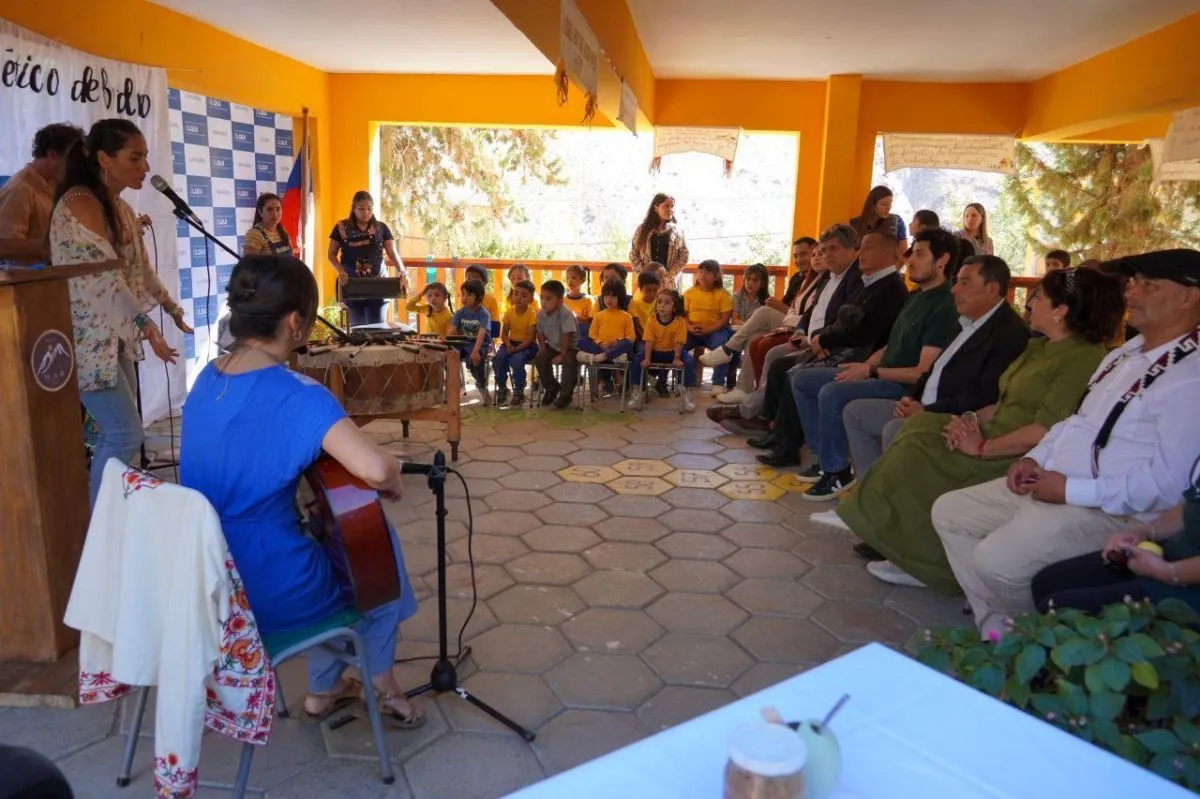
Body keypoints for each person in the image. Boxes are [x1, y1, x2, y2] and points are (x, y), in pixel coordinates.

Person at [180, 254, 424, 729]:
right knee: (374, 555)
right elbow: (374, 468)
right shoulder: (298, 394)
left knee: (332, 539)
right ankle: (382, 683)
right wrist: (393, 477)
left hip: (205, 580)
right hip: (264, 586)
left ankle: (323, 689)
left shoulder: (207, 379)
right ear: (294, 323)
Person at [933, 251, 1200, 637]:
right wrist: (1033, 458)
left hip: (1112, 509)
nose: (1132, 293)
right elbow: (1077, 421)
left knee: (997, 562)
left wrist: (1071, 489)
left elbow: (1167, 488)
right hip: (1056, 481)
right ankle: (999, 633)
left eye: (1148, 285)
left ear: (1189, 296)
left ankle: (1035, 649)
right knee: (950, 512)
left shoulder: (1188, 377)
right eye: (1134, 283)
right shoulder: (1125, 354)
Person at [839, 267, 1119, 591]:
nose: (1030, 301)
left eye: (1039, 296)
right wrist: (969, 420)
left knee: (919, 451)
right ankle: (895, 538)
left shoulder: (1081, 358)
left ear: (1061, 311)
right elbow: (1003, 403)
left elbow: (1044, 430)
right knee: (921, 425)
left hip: (1016, 453)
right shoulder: (1040, 347)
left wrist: (982, 447)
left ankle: (925, 562)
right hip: (991, 431)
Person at [48, 119, 184, 506]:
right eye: (135, 157)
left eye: (146, 157)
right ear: (105, 159)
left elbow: (138, 269)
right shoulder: (79, 202)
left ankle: (117, 517)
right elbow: (106, 279)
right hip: (87, 339)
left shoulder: (120, 206)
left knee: (123, 432)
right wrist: (146, 326)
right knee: (124, 433)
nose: (145, 167)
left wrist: (170, 309)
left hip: (114, 337)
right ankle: (100, 529)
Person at [785, 228, 961, 496]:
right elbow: (891, 344)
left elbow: (922, 372)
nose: (910, 260)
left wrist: (872, 371)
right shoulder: (916, 298)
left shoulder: (944, 305)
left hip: (899, 387)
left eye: (919, 254)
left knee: (832, 391)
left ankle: (837, 472)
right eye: (911, 253)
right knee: (802, 379)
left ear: (943, 260)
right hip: (878, 372)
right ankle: (826, 460)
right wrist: (864, 366)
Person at [749, 228, 905, 467]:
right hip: (835, 345)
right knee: (783, 364)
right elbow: (837, 319)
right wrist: (816, 336)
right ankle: (782, 436)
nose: (861, 253)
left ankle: (809, 453)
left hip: (859, 356)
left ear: (888, 252)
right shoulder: (865, 282)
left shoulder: (888, 287)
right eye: (824, 250)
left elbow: (863, 330)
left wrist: (824, 339)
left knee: (796, 374)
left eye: (867, 248)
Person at [1032, 459, 1200, 616]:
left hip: (1187, 584)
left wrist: (1165, 572)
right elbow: (1193, 502)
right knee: (1046, 582)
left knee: (1059, 609)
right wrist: (1144, 532)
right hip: (1177, 551)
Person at [0, 122, 83, 264]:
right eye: (72, 161)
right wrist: (53, 244)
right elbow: (3, 245)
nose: (75, 168)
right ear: (52, 155)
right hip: (29, 283)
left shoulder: (58, 184)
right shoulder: (19, 189)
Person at [326, 191, 406, 327]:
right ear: (353, 208)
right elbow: (331, 254)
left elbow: (392, 252)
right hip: (351, 285)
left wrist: (403, 272)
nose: (366, 212)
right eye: (361, 209)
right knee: (358, 329)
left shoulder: (381, 227)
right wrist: (340, 270)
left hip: (378, 284)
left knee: (377, 328)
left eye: (369, 208)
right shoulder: (340, 227)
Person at [629, 289, 696, 412]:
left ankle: (687, 395)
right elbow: (649, 341)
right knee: (637, 358)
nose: (662, 305)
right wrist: (647, 358)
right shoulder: (652, 320)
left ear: (674, 306)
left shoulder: (680, 322)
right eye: (659, 302)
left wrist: (676, 358)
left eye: (667, 303)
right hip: (655, 352)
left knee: (690, 361)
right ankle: (638, 391)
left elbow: (678, 342)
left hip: (673, 352)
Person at [684, 259, 734, 394]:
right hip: (692, 330)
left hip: (714, 331)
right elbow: (682, 316)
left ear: (716, 276)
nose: (703, 275)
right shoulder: (689, 293)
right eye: (700, 271)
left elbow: (725, 320)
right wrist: (689, 327)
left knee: (722, 346)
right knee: (679, 344)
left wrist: (707, 330)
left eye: (707, 272)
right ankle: (685, 379)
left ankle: (718, 383)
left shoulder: (722, 294)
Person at [535, 279, 580, 409]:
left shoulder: (565, 314)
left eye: (548, 299)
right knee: (540, 357)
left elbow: (565, 336)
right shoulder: (541, 314)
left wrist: (562, 354)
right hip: (554, 346)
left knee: (569, 361)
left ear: (560, 301)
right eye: (542, 298)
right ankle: (552, 387)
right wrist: (543, 350)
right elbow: (540, 333)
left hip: (570, 347)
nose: (543, 301)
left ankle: (565, 396)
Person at [493, 279, 539, 406]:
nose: (519, 298)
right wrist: (508, 344)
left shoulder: (532, 314)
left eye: (524, 295)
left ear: (530, 299)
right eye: (516, 293)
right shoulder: (509, 312)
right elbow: (504, 334)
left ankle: (518, 391)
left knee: (516, 360)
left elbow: (530, 339)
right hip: (511, 342)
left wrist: (516, 349)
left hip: (527, 345)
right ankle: (502, 388)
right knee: (499, 358)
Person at [449, 279, 492, 404]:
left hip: (479, 343)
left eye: (469, 294)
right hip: (463, 343)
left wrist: (475, 351)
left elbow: (482, 334)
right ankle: (458, 386)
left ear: (479, 297)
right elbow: (452, 330)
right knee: (448, 355)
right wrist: (445, 341)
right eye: (463, 294)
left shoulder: (483, 314)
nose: (464, 297)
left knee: (474, 362)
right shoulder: (459, 313)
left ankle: (482, 386)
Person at [630, 193, 688, 283]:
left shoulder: (677, 232)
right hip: (647, 282)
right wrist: (644, 274)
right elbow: (633, 253)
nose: (670, 209)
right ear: (656, 208)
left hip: (668, 283)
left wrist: (668, 276)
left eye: (672, 206)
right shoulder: (642, 230)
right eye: (666, 206)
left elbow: (684, 255)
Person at [578, 279, 637, 366]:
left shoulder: (626, 316)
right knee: (581, 341)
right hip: (602, 347)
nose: (609, 299)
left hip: (617, 347)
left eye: (613, 296)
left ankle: (601, 357)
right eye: (606, 296)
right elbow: (592, 334)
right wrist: (601, 343)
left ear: (620, 297)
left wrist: (617, 342)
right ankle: (613, 357)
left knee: (628, 343)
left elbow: (631, 337)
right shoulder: (598, 315)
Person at [465, 264, 502, 337]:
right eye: (468, 278)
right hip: (468, 338)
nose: (471, 281)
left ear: (485, 282)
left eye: (475, 278)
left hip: (486, 339)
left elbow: (495, 330)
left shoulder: (491, 300)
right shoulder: (465, 299)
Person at [562, 264, 595, 330]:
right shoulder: (562, 300)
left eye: (574, 278)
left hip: (583, 334)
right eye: (567, 278)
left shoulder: (589, 300)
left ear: (582, 280)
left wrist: (576, 317)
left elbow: (592, 321)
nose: (569, 281)